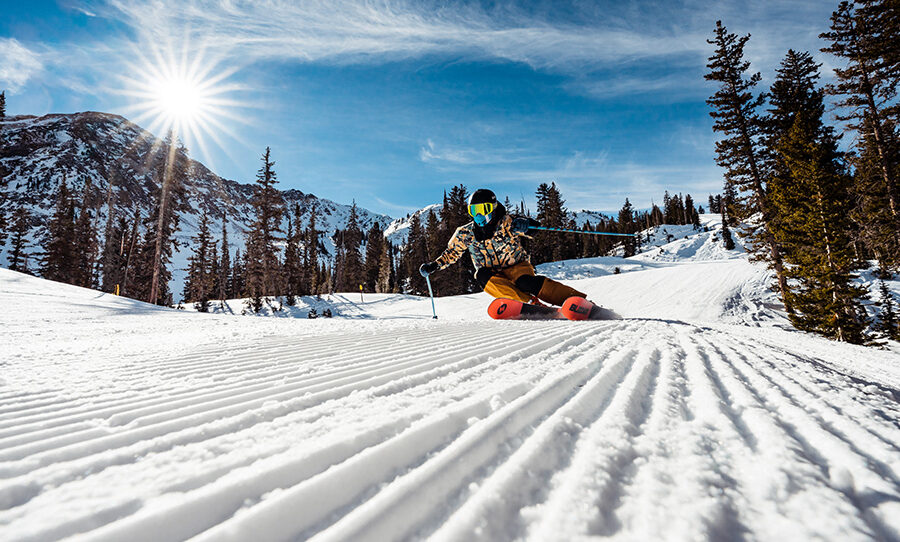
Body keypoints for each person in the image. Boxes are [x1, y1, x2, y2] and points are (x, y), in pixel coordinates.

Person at [419, 188, 587, 306]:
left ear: (492, 208)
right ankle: (529, 303)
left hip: (517, 267)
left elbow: (533, 230)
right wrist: (434, 265)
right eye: (473, 210)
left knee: (526, 282)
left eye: (483, 209)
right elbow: (452, 253)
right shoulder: (466, 233)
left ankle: (575, 300)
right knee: (481, 275)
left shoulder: (506, 222)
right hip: (493, 274)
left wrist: (527, 225)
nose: (478, 215)